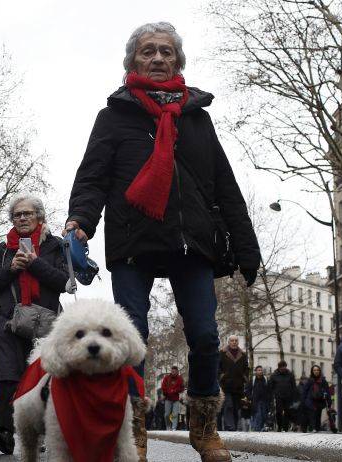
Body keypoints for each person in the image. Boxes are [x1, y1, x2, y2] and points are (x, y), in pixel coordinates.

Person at [65, 21, 260, 462]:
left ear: (178, 61)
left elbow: (224, 185)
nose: (157, 58)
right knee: (132, 335)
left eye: (166, 52)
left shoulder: (198, 119)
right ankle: (133, 431)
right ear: (133, 61)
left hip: (193, 242)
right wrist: (80, 220)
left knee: (207, 337)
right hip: (133, 238)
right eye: (148, 51)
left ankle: (205, 428)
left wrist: (246, 247)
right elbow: (93, 177)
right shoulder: (113, 116)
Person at [0, 194, 69, 455]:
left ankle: (40, 431)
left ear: (39, 217)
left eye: (27, 213)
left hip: (45, 320)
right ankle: (4, 431)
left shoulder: (56, 246)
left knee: (42, 378)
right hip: (8, 320)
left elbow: (64, 282)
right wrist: (11, 268)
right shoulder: (2, 249)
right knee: (8, 375)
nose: (21, 218)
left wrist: (34, 263)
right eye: (17, 215)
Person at [218, 336, 249, 431]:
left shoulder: (243, 354)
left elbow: (246, 368)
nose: (234, 342)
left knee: (236, 408)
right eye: (232, 340)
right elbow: (218, 367)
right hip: (226, 385)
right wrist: (221, 376)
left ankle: (234, 427)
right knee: (228, 405)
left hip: (238, 386)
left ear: (238, 342)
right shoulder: (222, 353)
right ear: (229, 342)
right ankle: (229, 426)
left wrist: (245, 377)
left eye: (236, 340)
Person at [268, 360, 297, 432]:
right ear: (279, 368)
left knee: (287, 412)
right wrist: (272, 396)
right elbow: (270, 387)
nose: (283, 369)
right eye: (282, 368)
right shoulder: (274, 375)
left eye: (284, 367)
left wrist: (293, 396)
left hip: (288, 397)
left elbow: (294, 386)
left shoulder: (290, 375)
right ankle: (279, 426)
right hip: (278, 397)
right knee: (278, 412)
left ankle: (285, 427)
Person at [301, 365, 331, 433]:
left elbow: (327, 391)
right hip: (310, 401)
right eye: (314, 370)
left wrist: (329, 401)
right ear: (312, 371)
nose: (316, 371)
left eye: (317, 370)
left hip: (319, 400)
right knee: (312, 414)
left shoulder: (323, 381)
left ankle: (317, 428)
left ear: (319, 371)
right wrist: (303, 401)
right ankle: (313, 427)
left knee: (318, 414)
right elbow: (305, 391)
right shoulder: (309, 381)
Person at [245, 366, 270, 432]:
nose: (260, 371)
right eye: (258, 370)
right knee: (258, 415)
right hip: (255, 401)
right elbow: (247, 390)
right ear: (255, 371)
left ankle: (260, 428)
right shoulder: (252, 380)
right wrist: (250, 397)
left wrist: (269, 399)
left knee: (264, 415)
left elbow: (269, 390)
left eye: (261, 370)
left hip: (264, 401)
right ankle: (257, 429)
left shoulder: (266, 379)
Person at [161, 366, 185, 430]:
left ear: (177, 371)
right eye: (172, 371)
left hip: (176, 399)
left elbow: (182, 388)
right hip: (168, 399)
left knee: (175, 414)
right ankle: (168, 426)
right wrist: (167, 392)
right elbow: (163, 387)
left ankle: (174, 428)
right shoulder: (167, 378)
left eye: (174, 371)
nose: (173, 372)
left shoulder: (180, 378)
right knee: (167, 414)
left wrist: (174, 391)